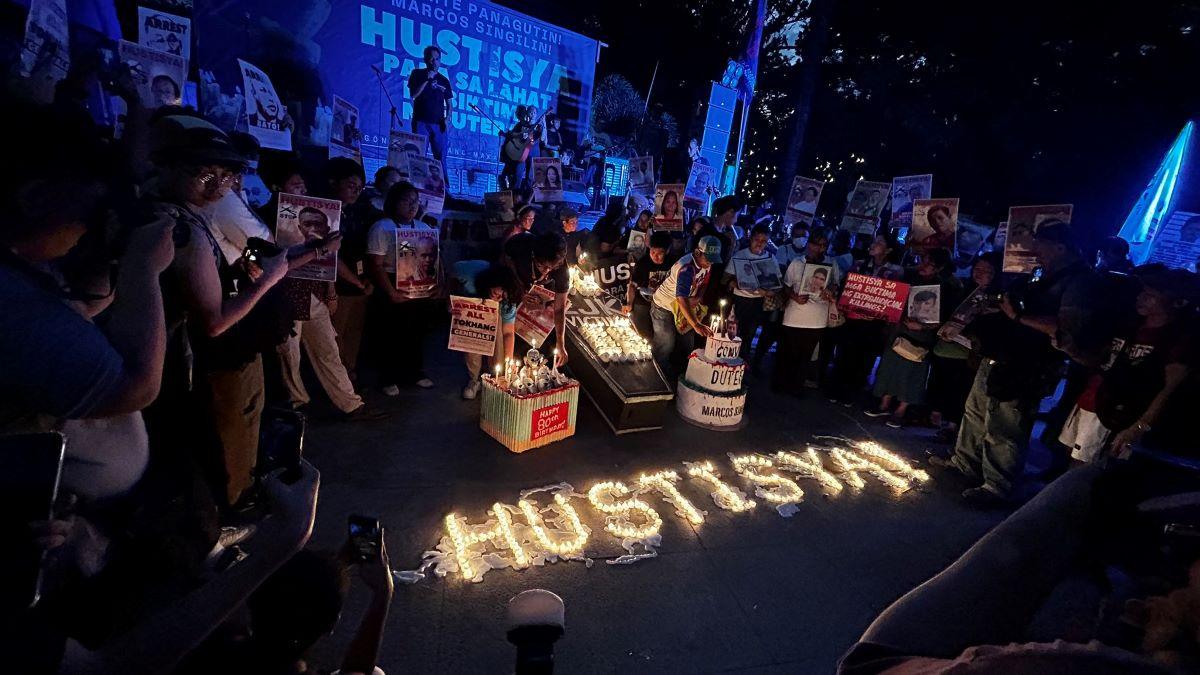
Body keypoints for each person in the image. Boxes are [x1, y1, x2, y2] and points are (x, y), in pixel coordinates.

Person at [149, 114, 291, 511]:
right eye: (203, 174)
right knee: (226, 433)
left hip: (173, 355)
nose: (216, 187)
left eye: (224, 177)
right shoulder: (181, 228)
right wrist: (268, 279)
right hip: (192, 356)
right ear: (166, 165)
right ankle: (233, 508)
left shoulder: (175, 212)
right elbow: (213, 322)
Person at [933, 221, 1105, 506]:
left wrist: (1017, 317)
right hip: (1001, 354)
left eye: (1041, 245)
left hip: (1028, 364)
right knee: (976, 412)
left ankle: (996, 485)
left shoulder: (1078, 281)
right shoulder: (1042, 275)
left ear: (1061, 247)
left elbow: (1065, 327)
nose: (1035, 251)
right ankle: (965, 464)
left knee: (1006, 424)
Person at [1058, 269, 1196, 464]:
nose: (1141, 298)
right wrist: (1073, 351)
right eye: (1142, 292)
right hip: (1094, 400)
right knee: (1070, 456)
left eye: (1150, 295)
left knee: (1086, 468)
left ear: (1177, 302)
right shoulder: (1130, 326)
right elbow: (1102, 362)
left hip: (1121, 415)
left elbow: (1169, 388)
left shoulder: (1176, 341)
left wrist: (1139, 426)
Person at [867, 248, 957, 428]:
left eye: (928, 264)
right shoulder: (910, 278)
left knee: (911, 372)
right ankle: (884, 403)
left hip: (921, 337)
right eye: (922, 260)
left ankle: (901, 410)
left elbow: (945, 320)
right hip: (899, 330)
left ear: (938, 268)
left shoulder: (944, 289)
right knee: (891, 367)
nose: (922, 266)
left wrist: (922, 326)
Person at [366, 182, 438, 394]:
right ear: (394, 201)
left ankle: (415, 372)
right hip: (391, 281)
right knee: (390, 333)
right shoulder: (381, 227)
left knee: (416, 331)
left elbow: (433, 261)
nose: (412, 205)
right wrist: (390, 292)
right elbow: (375, 264)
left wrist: (433, 287)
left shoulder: (424, 228)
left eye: (416, 201)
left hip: (418, 284)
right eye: (407, 200)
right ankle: (388, 378)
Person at [928, 253, 1002, 442]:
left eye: (986, 270)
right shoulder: (963, 288)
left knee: (960, 389)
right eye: (977, 269)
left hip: (968, 353)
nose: (980, 273)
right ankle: (936, 417)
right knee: (940, 383)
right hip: (946, 346)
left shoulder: (998, 298)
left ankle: (952, 425)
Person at [828, 233, 905, 405]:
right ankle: (836, 389)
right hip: (853, 320)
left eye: (879, 242)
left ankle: (852, 392)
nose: (873, 244)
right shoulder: (860, 265)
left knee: (864, 358)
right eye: (874, 241)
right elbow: (847, 289)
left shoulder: (896, 271)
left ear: (888, 250)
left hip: (874, 324)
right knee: (844, 354)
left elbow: (893, 299)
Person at [323, 158, 377, 384]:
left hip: (359, 282)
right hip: (336, 285)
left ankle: (350, 372)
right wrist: (355, 281)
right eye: (351, 185)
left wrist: (366, 280)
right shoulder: (323, 213)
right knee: (336, 334)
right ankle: (338, 381)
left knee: (354, 332)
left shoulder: (359, 211)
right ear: (333, 183)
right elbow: (330, 256)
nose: (356, 191)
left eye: (360, 187)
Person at [775, 229, 840, 396]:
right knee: (788, 352)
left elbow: (835, 285)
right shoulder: (797, 263)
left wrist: (830, 291)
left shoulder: (832, 264)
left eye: (823, 245)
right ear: (809, 245)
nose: (819, 248)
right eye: (816, 244)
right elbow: (786, 286)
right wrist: (795, 297)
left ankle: (797, 386)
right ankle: (781, 384)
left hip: (817, 318)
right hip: (794, 315)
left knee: (806, 355)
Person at [650, 236, 721, 378]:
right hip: (664, 305)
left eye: (713, 260)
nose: (710, 263)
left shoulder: (707, 263)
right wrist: (696, 324)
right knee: (666, 342)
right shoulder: (686, 268)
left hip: (684, 307)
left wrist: (699, 296)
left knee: (687, 342)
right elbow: (680, 298)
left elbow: (705, 281)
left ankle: (681, 374)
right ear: (697, 253)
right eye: (708, 259)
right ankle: (657, 375)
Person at [503, 231, 571, 367]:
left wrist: (561, 343)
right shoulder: (521, 245)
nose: (546, 271)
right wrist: (520, 290)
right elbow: (506, 260)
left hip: (537, 290)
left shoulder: (561, 270)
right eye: (542, 266)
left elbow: (559, 309)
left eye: (551, 268)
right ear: (534, 256)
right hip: (514, 280)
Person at [456, 263, 522, 400]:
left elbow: (508, 332)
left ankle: (494, 376)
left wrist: (508, 363)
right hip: (473, 311)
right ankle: (474, 379)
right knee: (472, 331)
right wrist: (450, 302)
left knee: (497, 323)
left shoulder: (507, 302)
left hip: (494, 322)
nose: (499, 295)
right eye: (499, 289)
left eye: (503, 295)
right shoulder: (470, 278)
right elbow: (453, 273)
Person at [724, 224, 778, 360]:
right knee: (733, 331)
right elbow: (725, 278)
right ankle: (728, 360)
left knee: (750, 334)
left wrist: (769, 292)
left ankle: (742, 362)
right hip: (739, 300)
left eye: (763, 241)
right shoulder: (740, 255)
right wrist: (733, 283)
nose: (759, 244)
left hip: (758, 301)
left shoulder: (771, 258)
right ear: (751, 238)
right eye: (757, 240)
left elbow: (777, 285)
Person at [407, 46, 452, 172]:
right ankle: (418, 186)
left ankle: (445, 190)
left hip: (439, 124)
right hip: (421, 122)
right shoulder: (417, 74)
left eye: (437, 59)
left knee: (441, 158)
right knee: (419, 156)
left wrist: (447, 119)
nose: (434, 62)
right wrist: (428, 79)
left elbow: (449, 104)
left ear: (440, 61)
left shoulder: (444, 80)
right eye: (431, 59)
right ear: (426, 59)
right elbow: (413, 95)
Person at [624, 231, 676, 337]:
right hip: (643, 302)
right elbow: (632, 285)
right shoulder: (643, 263)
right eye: (652, 252)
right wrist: (629, 303)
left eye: (659, 253)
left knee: (665, 336)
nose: (655, 257)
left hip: (663, 305)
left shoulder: (674, 264)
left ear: (667, 251)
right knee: (641, 334)